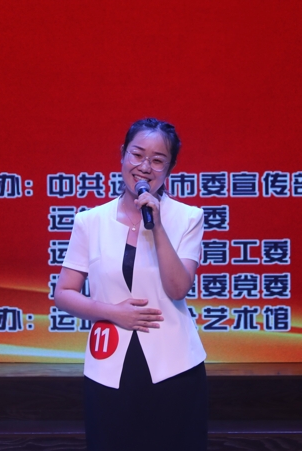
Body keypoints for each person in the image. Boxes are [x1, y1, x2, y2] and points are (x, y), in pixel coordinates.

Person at [54, 118, 207, 451]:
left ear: (170, 168)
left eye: (157, 160)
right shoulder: (90, 221)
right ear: (123, 155)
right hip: (109, 364)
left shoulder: (188, 218)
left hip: (174, 365)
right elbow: (63, 294)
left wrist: (158, 226)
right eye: (137, 155)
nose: (145, 167)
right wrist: (113, 312)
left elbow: (178, 288)